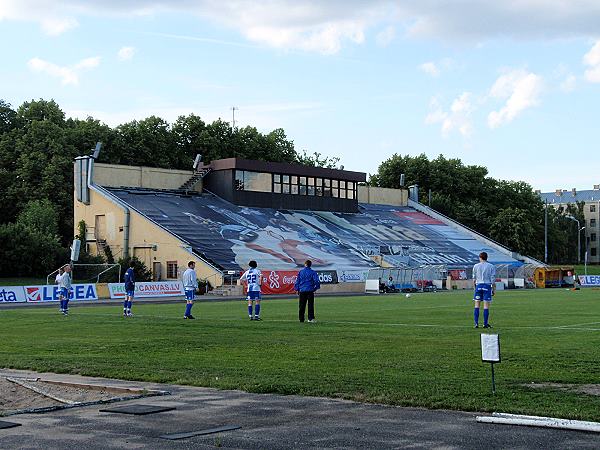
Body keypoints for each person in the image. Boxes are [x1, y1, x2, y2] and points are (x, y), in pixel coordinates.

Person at [472, 252, 496, 328]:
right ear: (487, 257)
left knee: (477, 305)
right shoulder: (491, 266)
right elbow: (493, 280)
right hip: (487, 286)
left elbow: (474, 279)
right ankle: (485, 324)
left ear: (480, 257)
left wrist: (474, 288)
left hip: (478, 286)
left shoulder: (476, 266)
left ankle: (476, 323)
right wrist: (493, 289)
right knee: (486, 306)